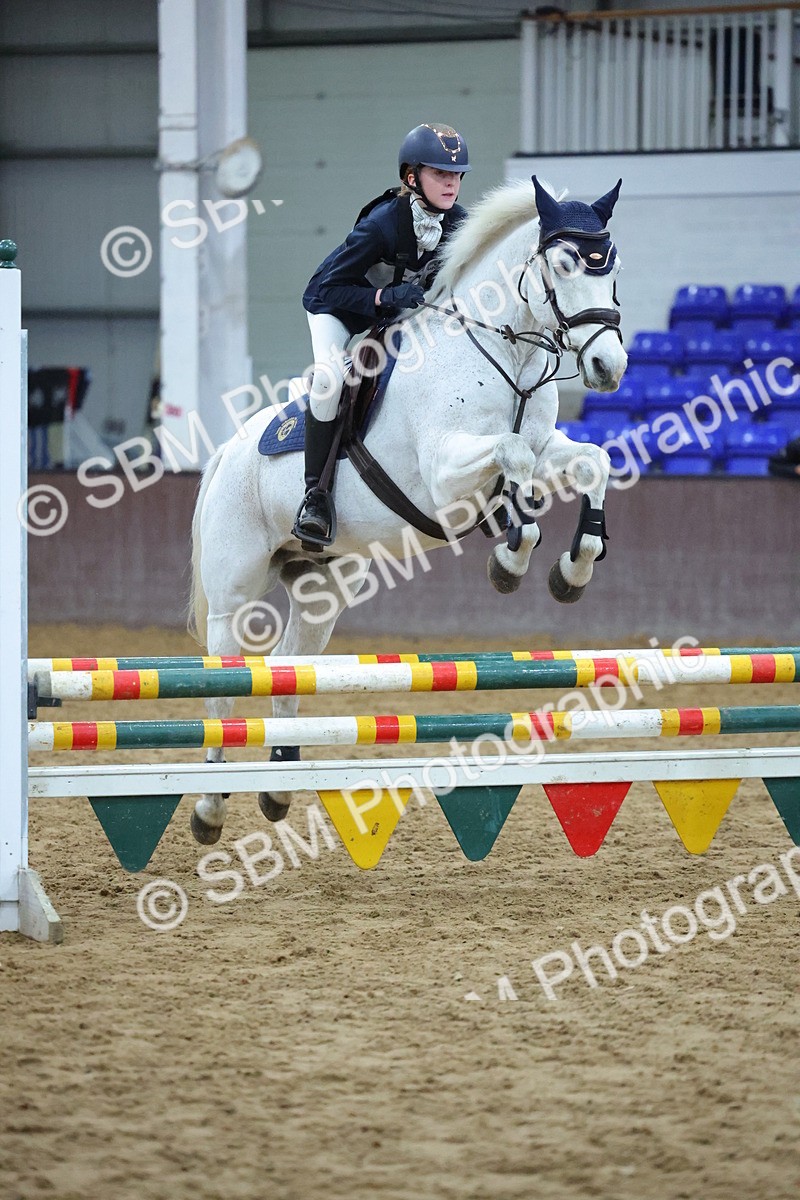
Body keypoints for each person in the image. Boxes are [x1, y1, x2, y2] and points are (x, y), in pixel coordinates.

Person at [293, 122, 470, 548]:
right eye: (440, 173)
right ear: (412, 177)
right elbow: (330, 288)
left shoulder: (458, 223)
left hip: (394, 310)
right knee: (330, 379)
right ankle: (315, 496)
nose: (451, 183)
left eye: (456, 174)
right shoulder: (381, 225)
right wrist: (383, 296)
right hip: (336, 308)